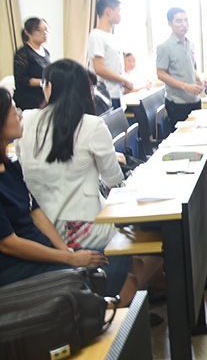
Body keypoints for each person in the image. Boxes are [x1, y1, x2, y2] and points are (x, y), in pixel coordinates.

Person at [17, 59, 162, 306]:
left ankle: (132, 295)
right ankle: (119, 302)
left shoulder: (27, 119)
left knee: (137, 261)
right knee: (156, 233)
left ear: (49, 87)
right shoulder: (92, 125)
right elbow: (114, 181)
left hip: (40, 226)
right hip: (80, 227)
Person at [0, 87, 109, 288]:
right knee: (112, 272)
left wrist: (66, 252)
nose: (20, 117)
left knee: (126, 265)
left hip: (43, 252)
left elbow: (35, 212)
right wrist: (69, 259)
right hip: (16, 267)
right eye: (14, 112)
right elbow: (8, 244)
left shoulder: (10, 166)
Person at [156, 8, 207, 134]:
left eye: (186, 20)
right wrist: (186, 86)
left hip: (194, 100)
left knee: (196, 135)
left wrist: (200, 79)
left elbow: (190, 67)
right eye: (179, 21)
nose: (184, 24)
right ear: (169, 23)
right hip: (177, 103)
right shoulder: (164, 47)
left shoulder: (190, 44)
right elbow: (160, 74)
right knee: (181, 137)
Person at [87, 0, 133, 109]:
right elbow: (99, 68)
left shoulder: (111, 36)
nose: (120, 15)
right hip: (106, 95)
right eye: (118, 10)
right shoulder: (97, 36)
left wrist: (123, 83)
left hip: (117, 93)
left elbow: (114, 66)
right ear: (109, 11)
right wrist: (123, 80)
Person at [13, 17, 52, 111]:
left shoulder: (46, 52)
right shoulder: (23, 53)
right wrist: (42, 82)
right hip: (28, 99)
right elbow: (20, 79)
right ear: (27, 33)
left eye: (46, 29)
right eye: (39, 30)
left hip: (44, 97)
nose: (45, 33)